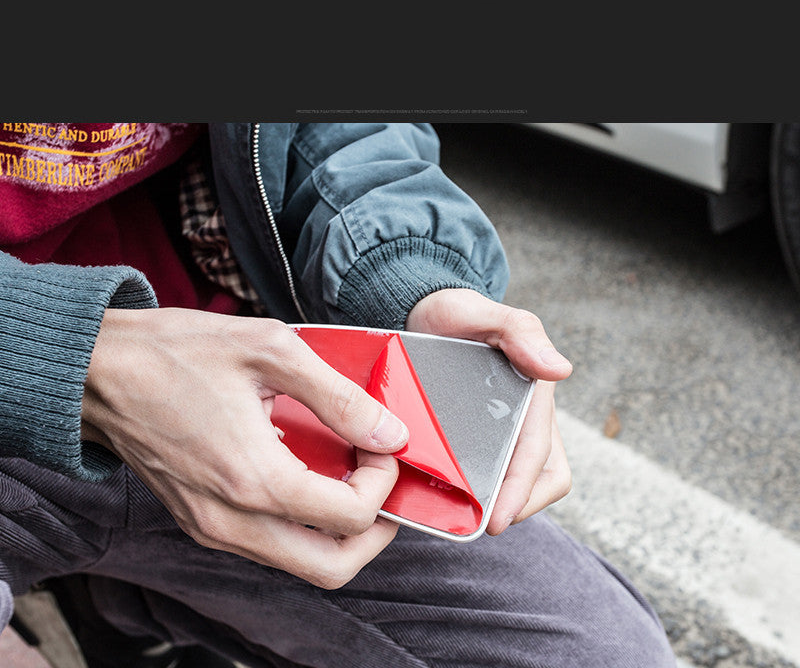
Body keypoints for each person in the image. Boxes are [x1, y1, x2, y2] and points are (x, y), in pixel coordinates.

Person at [0, 122, 676, 668]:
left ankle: (116, 599)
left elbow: (335, 126)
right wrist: (79, 356)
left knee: (603, 654)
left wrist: (407, 273)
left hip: (256, 370)